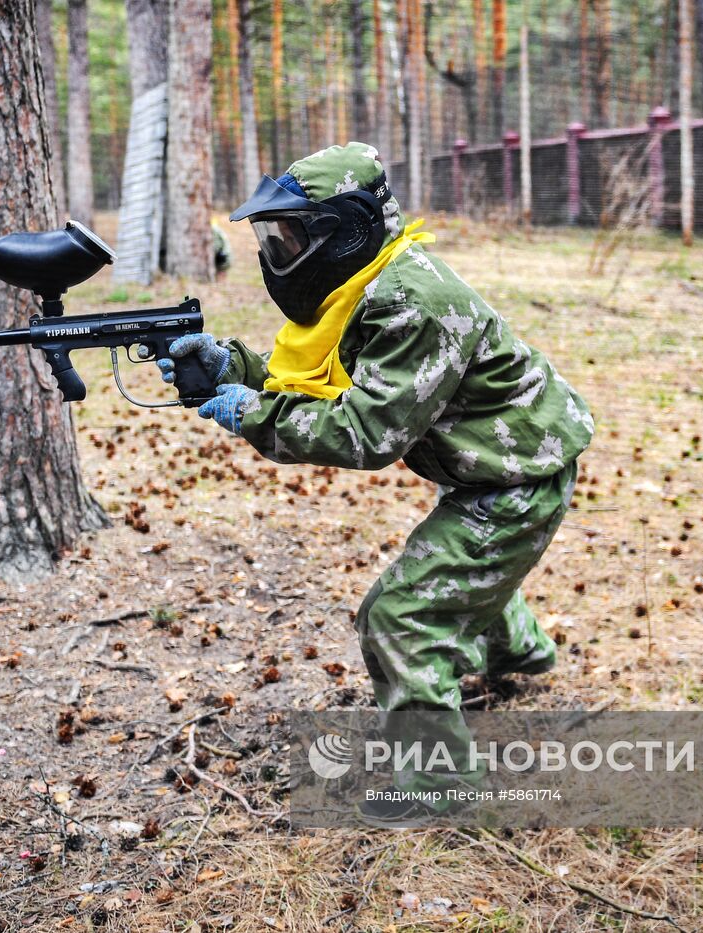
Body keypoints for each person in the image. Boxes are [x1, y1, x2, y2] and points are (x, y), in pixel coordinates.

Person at [158, 143, 593, 825]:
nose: (280, 252)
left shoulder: (412, 301)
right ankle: (525, 651)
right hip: (492, 467)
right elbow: (309, 379)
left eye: (292, 236)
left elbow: (364, 433)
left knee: (402, 613)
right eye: (276, 238)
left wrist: (250, 412)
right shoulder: (363, 287)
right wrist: (232, 367)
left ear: (347, 231)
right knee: (465, 571)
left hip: (517, 477)